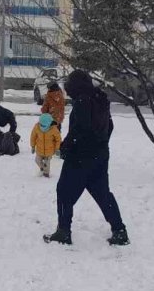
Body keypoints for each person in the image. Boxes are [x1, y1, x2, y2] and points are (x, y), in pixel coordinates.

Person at [44, 69, 128, 246]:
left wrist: (65, 147)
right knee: (103, 194)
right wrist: (101, 143)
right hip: (100, 156)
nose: (67, 87)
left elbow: (80, 130)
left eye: (69, 84)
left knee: (64, 192)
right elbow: (109, 126)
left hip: (80, 158)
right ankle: (119, 231)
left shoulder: (83, 101)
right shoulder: (101, 99)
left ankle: (63, 231)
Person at [30, 112, 62, 178]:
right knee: (37, 160)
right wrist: (33, 146)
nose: (41, 126)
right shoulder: (37, 127)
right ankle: (42, 168)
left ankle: (46, 174)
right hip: (39, 149)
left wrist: (57, 149)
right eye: (41, 124)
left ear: (49, 124)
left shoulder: (53, 129)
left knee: (47, 163)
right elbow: (33, 136)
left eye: (43, 125)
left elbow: (58, 139)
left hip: (49, 150)